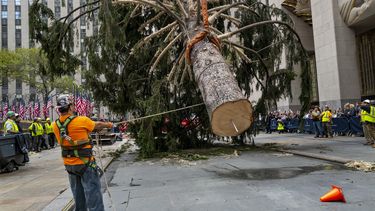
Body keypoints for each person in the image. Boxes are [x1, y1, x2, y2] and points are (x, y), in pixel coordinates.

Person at [52, 94, 113, 211]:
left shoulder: (55, 125)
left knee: (78, 197)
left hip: (70, 165)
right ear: (70, 107)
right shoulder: (81, 120)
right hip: (85, 164)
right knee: (93, 195)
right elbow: (97, 125)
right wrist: (109, 124)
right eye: (73, 105)